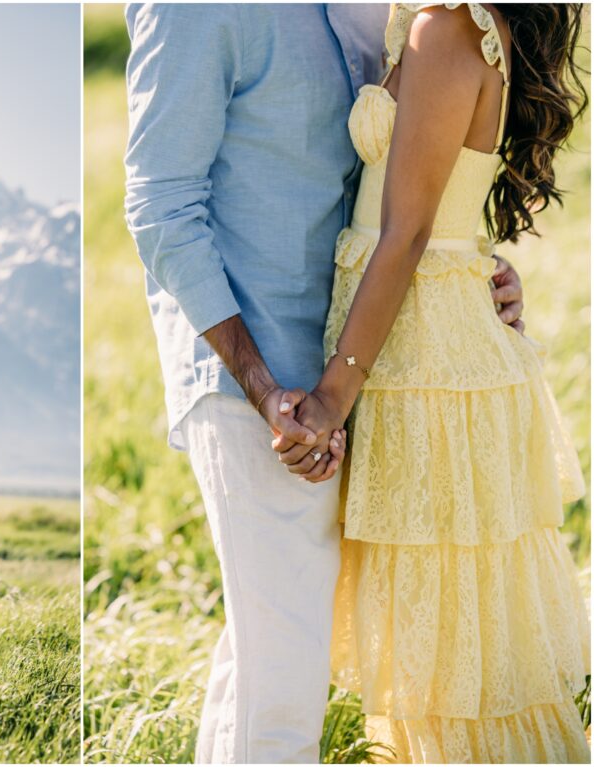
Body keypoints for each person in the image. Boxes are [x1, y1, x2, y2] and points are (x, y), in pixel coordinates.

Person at [123, 4, 526, 762]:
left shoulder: (378, 5)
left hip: (365, 367)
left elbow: (409, 183)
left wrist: (477, 275)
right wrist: (262, 385)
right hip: (261, 377)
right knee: (283, 683)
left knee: (267, 650)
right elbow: (160, 207)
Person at [275, 4, 590, 762]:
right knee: (434, 642)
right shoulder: (422, 20)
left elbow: (409, 230)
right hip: (416, 347)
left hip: (428, 370)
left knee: (448, 653)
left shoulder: (447, 26)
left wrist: (330, 397)